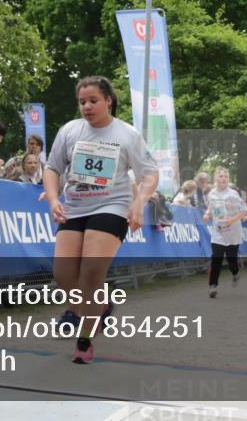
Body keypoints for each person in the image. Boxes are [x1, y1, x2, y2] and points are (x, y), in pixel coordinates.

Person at [42, 75, 158, 364]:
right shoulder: (70, 130)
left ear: (109, 100)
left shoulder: (127, 135)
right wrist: (54, 198)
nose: (87, 107)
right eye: (82, 102)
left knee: (92, 271)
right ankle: (100, 307)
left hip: (113, 205)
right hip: (75, 206)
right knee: (63, 273)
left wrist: (139, 203)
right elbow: (52, 168)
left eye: (93, 101)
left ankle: (84, 340)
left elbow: (150, 173)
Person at [203, 167, 247, 298]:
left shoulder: (233, 194)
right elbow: (211, 208)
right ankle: (213, 286)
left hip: (233, 231)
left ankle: (235, 273)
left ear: (228, 180)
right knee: (216, 258)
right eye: (221, 176)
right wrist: (207, 215)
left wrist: (232, 220)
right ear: (215, 179)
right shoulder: (211, 194)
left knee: (231, 260)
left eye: (226, 177)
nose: (223, 179)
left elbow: (244, 211)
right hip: (218, 232)